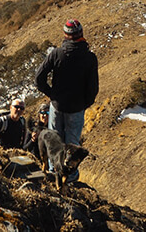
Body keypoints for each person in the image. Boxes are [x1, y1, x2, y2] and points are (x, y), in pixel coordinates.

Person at [33, 19, 98, 182]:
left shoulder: (57, 54)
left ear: (65, 35)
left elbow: (38, 78)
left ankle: (52, 172)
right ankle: (69, 178)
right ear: (81, 34)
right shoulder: (89, 58)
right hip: (76, 108)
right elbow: (93, 88)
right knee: (72, 143)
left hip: (57, 105)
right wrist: (84, 104)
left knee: (54, 140)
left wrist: (52, 94)